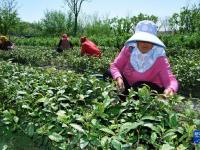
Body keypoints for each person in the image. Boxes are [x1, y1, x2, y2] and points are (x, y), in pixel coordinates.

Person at [106, 20, 178, 100]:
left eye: (149, 40)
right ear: (136, 40)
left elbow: (170, 80)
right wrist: (118, 78)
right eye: (142, 39)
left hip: (150, 89)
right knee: (109, 73)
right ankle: (125, 100)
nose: (145, 43)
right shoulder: (129, 49)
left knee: (140, 86)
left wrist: (170, 89)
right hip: (130, 86)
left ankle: (131, 103)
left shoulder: (158, 56)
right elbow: (115, 66)